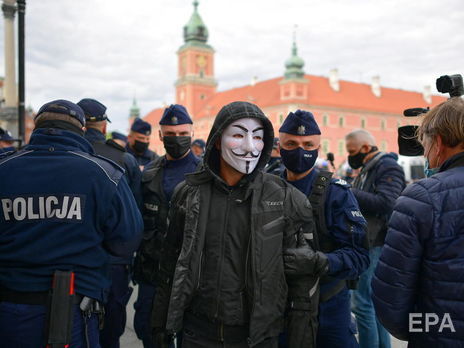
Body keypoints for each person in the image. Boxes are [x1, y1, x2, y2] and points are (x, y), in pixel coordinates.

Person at [151, 101, 321, 348]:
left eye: (258, 137)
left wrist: (300, 340)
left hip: (257, 337)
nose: (250, 146)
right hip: (198, 332)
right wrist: (160, 324)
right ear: (218, 140)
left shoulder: (286, 199)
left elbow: (302, 282)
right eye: (239, 135)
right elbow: (170, 265)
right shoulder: (188, 194)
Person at [0, 99, 143, 347]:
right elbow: (127, 240)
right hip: (75, 308)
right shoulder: (104, 175)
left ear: (37, 128)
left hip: (10, 308)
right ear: (82, 130)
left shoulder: (5, 168)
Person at [372, 97, 464, 346]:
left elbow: (391, 298)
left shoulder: (423, 197)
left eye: (424, 145)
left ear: (438, 143)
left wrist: (423, 332)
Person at [279, 110, 370, 348]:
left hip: (328, 312)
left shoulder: (336, 193)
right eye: (291, 143)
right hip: (276, 311)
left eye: (308, 144)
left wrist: (319, 262)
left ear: (318, 148)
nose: (300, 150)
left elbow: (359, 257)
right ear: (279, 147)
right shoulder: (267, 187)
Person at [78, 97, 143, 348]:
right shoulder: (123, 159)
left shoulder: (67, 154)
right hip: (113, 260)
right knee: (111, 330)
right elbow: (134, 214)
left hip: (76, 258)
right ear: (103, 125)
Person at [133, 104, 200, 348]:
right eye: (170, 134)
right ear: (160, 136)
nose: (176, 139)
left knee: (190, 336)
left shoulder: (204, 174)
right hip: (153, 271)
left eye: (182, 134)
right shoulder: (149, 173)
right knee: (149, 330)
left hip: (192, 275)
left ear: (191, 133)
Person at [345, 129, 405, 348]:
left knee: (361, 304)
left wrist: (349, 191)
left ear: (366, 148)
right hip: (369, 241)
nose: (350, 156)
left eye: (352, 151)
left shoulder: (387, 167)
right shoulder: (369, 167)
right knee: (371, 303)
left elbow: (387, 202)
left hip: (376, 242)